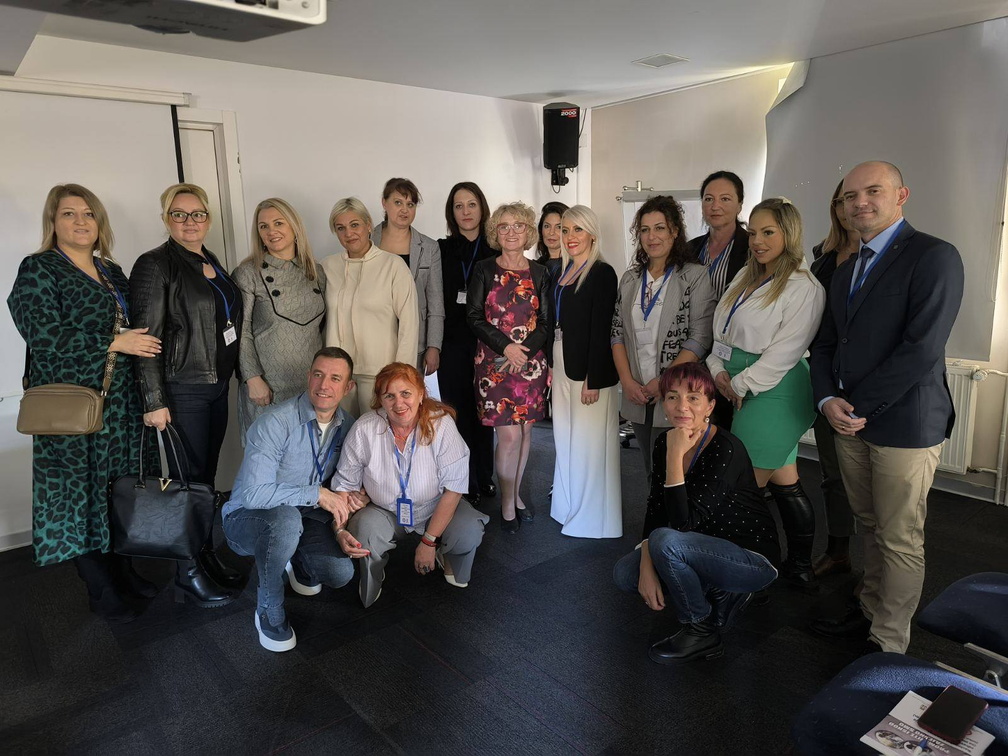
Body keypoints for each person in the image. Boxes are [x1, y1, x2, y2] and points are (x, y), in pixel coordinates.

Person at [809, 161, 964, 654]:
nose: (860, 202)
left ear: (901, 195)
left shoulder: (934, 256)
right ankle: (871, 609)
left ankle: (888, 644)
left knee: (899, 537)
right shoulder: (845, 269)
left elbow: (921, 348)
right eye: (850, 196)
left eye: (873, 191)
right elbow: (826, 344)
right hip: (849, 422)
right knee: (870, 525)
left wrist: (854, 406)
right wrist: (827, 399)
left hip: (905, 423)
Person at [7, 184, 162, 622]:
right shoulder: (39, 268)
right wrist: (114, 342)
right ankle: (101, 588)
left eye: (88, 214)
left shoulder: (111, 271)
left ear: (99, 222)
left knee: (118, 492)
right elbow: (42, 335)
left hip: (121, 407)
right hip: (73, 409)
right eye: (69, 213)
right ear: (53, 222)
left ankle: (123, 571)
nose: (80, 221)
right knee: (79, 497)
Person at [613, 363, 780, 664]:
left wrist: (675, 457)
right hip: (701, 546)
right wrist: (647, 566)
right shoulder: (664, 441)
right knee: (627, 574)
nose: (682, 407)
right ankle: (721, 591)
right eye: (672, 397)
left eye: (693, 398)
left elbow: (683, 523)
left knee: (666, 542)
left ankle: (701, 628)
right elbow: (656, 507)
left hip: (750, 559)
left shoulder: (725, 448)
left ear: (710, 406)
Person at [131, 182, 243, 607]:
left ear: (208, 219)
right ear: (167, 219)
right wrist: (154, 401)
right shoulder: (155, 264)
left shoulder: (209, 261)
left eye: (197, 214)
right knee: (186, 484)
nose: (189, 221)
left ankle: (204, 553)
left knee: (204, 480)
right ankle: (187, 572)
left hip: (216, 387)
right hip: (183, 390)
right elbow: (145, 339)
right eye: (179, 214)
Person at [706, 198, 825, 590]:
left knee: (742, 489)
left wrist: (737, 385)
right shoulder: (747, 274)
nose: (757, 241)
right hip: (739, 382)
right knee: (785, 480)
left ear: (788, 233)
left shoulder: (804, 286)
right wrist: (717, 370)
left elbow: (785, 353)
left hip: (775, 389)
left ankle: (743, 575)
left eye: (768, 232)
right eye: (753, 232)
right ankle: (799, 567)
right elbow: (721, 334)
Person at [222, 347, 360, 652]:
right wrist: (316, 493)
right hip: (248, 517)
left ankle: (296, 558)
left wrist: (351, 502)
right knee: (285, 520)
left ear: (348, 387)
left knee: (340, 574)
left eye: (335, 378)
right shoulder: (275, 422)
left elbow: (343, 483)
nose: (324, 385)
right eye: (318, 374)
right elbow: (254, 495)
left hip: (305, 515)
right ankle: (268, 609)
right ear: (308, 377)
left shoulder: (349, 426)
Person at [331, 362, 489, 608]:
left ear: (421, 394)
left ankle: (446, 555)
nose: (399, 403)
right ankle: (374, 571)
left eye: (406, 393)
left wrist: (428, 541)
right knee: (363, 530)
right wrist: (340, 530)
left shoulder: (441, 424)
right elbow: (344, 486)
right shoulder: (365, 428)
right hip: (386, 510)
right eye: (389, 396)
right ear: (380, 400)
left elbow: (454, 488)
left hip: (435, 506)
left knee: (468, 530)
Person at [611, 195, 716, 481]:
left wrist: (664, 381)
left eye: (660, 228)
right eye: (645, 230)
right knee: (650, 470)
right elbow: (616, 333)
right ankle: (655, 512)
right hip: (637, 390)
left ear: (674, 231)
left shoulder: (694, 276)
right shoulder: (631, 279)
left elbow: (700, 337)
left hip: (676, 390)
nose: (651, 236)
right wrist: (626, 381)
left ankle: (675, 514)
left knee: (677, 470)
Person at [467, 202, 551, 532]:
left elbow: (545, 321)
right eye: (504, 226)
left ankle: (516, 495)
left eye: (518, 225)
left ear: (528, 232)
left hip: (530, 363)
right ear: (495, 233)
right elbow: (473, 316)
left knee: (526, 431)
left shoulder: (540, 272)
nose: (511, 232)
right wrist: (507, 348)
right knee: (509, 436)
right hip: (494, 364)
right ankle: (506, 504)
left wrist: (524, 352)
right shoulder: (483, 269)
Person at [551, 205, 622, 539]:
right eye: (565, 230)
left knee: (588, 444)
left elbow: (602, 329)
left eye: (577, 229)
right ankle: (567, 507)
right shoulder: (563, 271)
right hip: (562, 364)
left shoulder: (602, 272)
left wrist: (594, 378)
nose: (570, 237)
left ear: (592, 233)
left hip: (588, 373)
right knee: (565, 439)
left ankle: (592, 519)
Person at [233, 198, 326, 444]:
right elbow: (241, 331)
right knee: (266, 455)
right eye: (263, 226)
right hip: (268, 385)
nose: (271, 231)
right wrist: (252, 378)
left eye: (278, 223)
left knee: (309, 455)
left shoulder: (316, 272)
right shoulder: (247, 273)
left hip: (311, 384)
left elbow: (322, 330)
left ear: (294, 227)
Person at [322, 197, 419, 416]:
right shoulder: (327, 266)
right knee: (340, 432)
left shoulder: (393, 265)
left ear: (368, 225)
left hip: (380, 372)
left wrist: (402, 374)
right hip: (337, 374)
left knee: (379, 432)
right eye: (341, 228)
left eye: (354, 225)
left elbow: (409, 324)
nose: (349, 233)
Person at [808, 180, 860, 578]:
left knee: (872, 484)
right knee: (833, 475)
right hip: (826, 379)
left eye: (857, 199)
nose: (850, 208)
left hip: (864, 381)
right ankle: (839, 550)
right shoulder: (821, 258)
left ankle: (875, 571)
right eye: (842, 200)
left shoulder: (882, 259)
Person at [437, 182, 497, 504]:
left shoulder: (495, 251)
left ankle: (484, 476)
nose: (465, 212)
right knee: (457, 413)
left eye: (471, 204)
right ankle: (463, 481)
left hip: (488, 342)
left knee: (484, 413)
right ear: (452, 213)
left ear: (482, 208)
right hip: (452, 343)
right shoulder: (441, 250)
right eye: (458, 206)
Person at [688, 170, 751, 429]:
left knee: (725, 429)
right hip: (693, 350)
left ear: (740, 204)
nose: (715, 206)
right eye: (708, 199)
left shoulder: (753, 249)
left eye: (725, 199)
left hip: (732, 356)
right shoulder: (690, 249)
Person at [371, 178, 444, 375]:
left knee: (407, 392)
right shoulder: (367, 240)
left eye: (410, 204)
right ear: (384, 203)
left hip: (414, 342)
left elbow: (435, 301)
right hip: (371, 340)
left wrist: (434, 346)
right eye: (398, 202)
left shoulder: (429, 248)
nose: (404, 210)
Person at [535, 200, 569, 288]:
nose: (551, 232)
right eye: (547, 226)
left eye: (558, 227)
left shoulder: (575, 266)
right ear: (541, 230)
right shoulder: (534, 267)